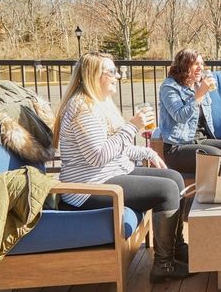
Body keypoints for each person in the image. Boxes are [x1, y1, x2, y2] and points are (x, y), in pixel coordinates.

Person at [53, 52, 191, 283]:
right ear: (93, 76)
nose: (117, 76)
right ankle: (163, 266)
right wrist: (131, 127)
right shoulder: (83, 108)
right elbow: (97, 156)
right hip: (87, 188)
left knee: (175, 178)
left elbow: (115, 148)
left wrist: (146, 151)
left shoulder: (100, 104)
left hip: (109, 173)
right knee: (166, 191)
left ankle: (176, 249)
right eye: (111, 72)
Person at [158, 48, 221, 175]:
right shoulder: (170, 87)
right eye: (196, 64)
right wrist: (199, 95)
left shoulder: (198, 85)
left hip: (201, 140)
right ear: (184, 65)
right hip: (178, 146)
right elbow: (180, 117)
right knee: (216, 155)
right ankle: (214, 190)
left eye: (202, 64)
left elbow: (207, 119)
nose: (201, 68)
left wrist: (201, 91)